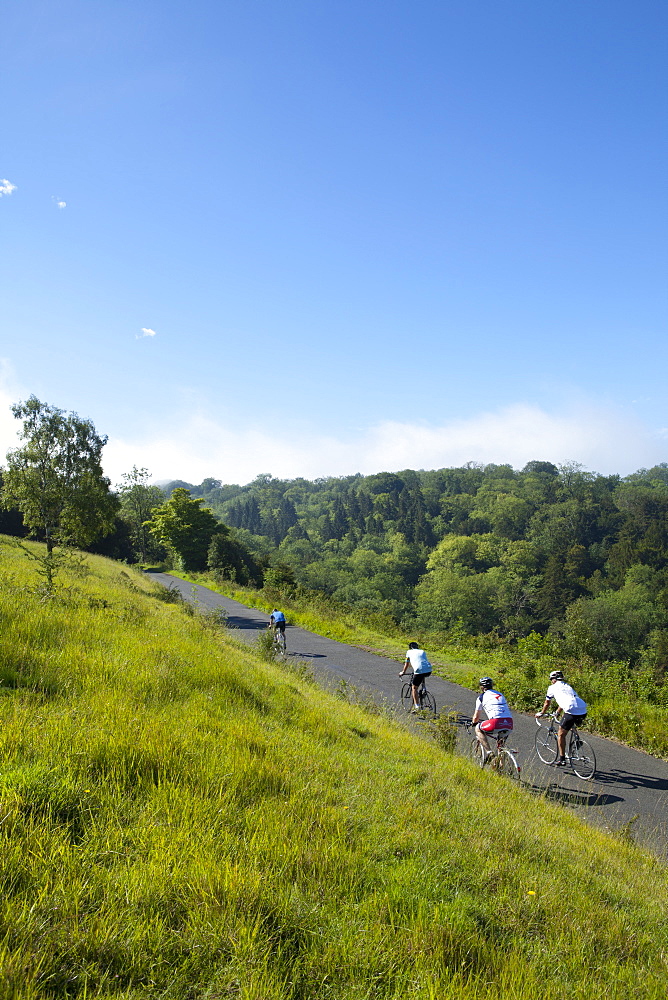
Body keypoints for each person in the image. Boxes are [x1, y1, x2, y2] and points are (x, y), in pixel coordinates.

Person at [535, 670, 587, 767]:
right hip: (583, 709)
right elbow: (566, 701)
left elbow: (547, 703)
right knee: (569, 723)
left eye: (551, 680)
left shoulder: (552, 688)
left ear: (553, 679)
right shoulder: (568, 687)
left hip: (571, 710)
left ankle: (562, 759)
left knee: (561, 734)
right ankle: (577, 739)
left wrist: (542, 713)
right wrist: (557, 713)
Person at [471, 677, 513, 761]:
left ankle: (489, 753)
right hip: (509, 722)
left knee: (478, 728)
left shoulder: (481, 697)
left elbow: (476, 717)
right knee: (501, 744)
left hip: (495, 722)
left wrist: (473, 723)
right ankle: (501, 765)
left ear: (481, 687)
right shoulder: (500, 694)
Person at [399, 642, 432, 710]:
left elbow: (407, 663)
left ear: (410, 647)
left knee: (414, 688)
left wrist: (403, 672)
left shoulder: (409, 652)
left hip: (418, 670)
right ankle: (424, 689)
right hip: (428, 669)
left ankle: (417, 706)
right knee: (422, 676)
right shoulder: (422, 651)